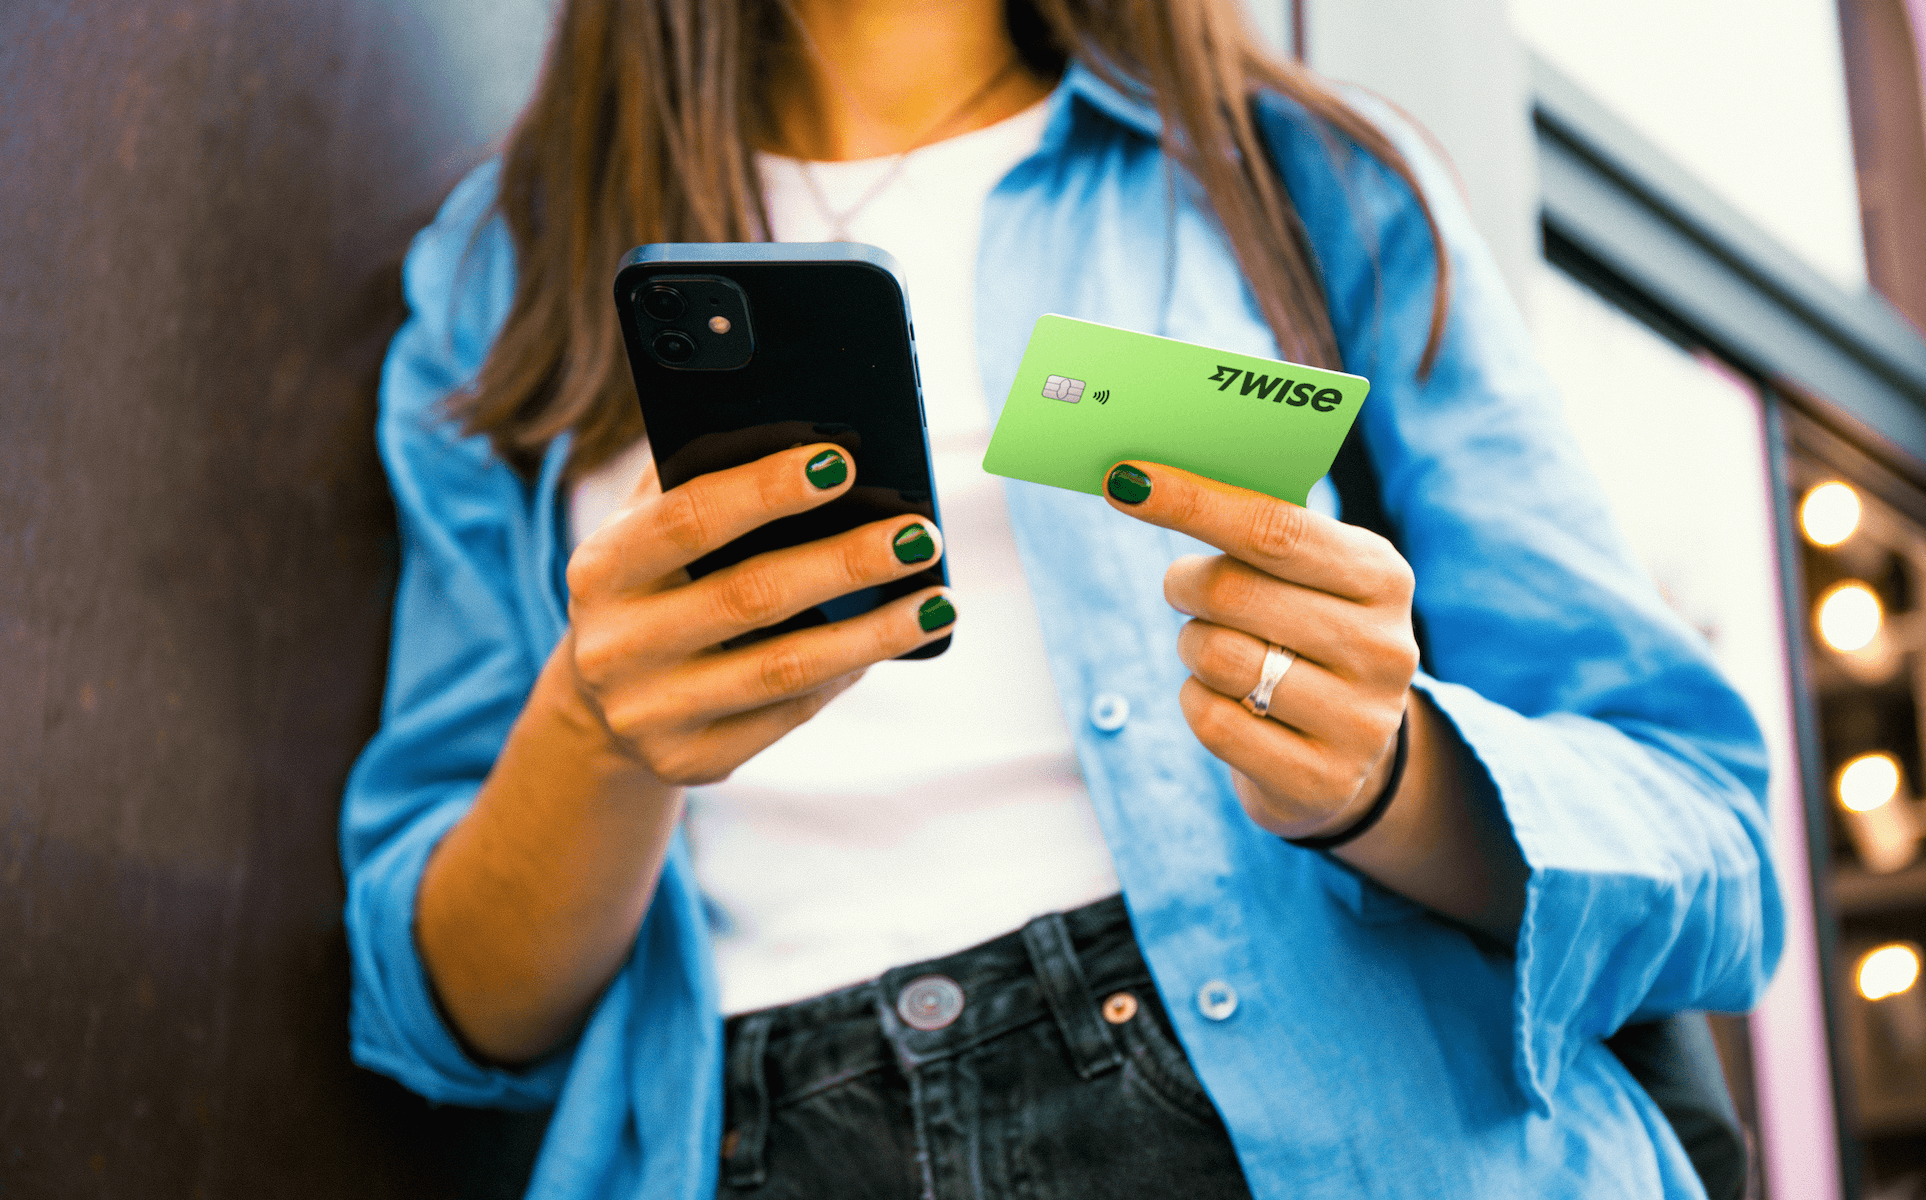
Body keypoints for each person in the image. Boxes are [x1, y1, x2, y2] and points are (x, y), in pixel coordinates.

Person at [340, 1, 1784, 1196]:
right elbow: (449, 1013)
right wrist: (597, 730)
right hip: (757, 1133)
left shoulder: (1298, 178)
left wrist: (1384, 773)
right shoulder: (498, 278)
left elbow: (1707, 847)